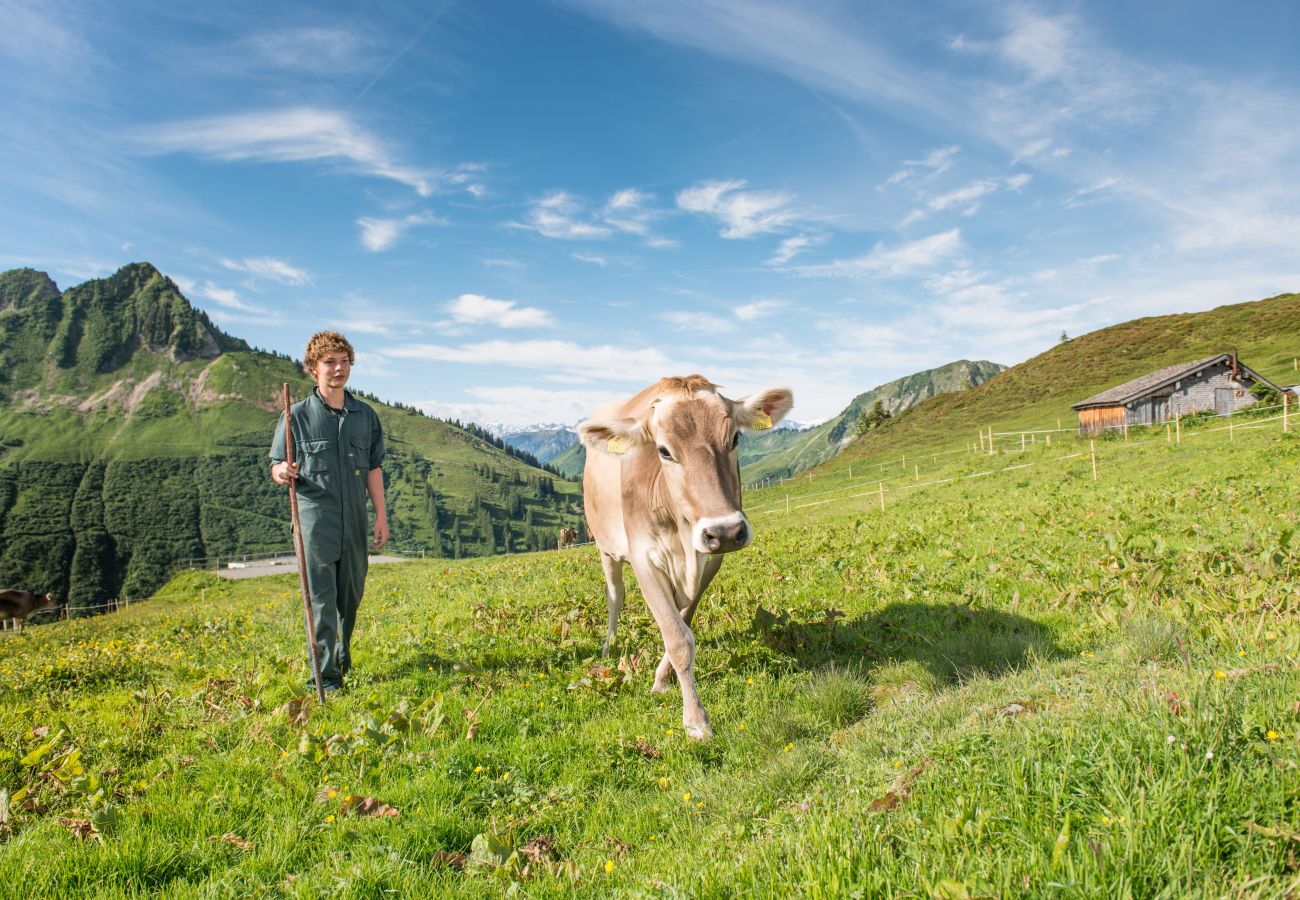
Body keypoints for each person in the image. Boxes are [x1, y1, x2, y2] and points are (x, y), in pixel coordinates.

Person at [269, 331, 389, 693]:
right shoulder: (296, 417)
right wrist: (282, 472)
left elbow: (373, 468)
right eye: (329, 362)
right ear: (313, 368)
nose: (338, 369)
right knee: (321, 600)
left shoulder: (364, 416)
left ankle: (341, 656)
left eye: (344, 360)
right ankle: (325, 677)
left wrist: (381, 516)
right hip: (315, 521)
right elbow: (276, 464)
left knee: (350, 596)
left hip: (355, 519)